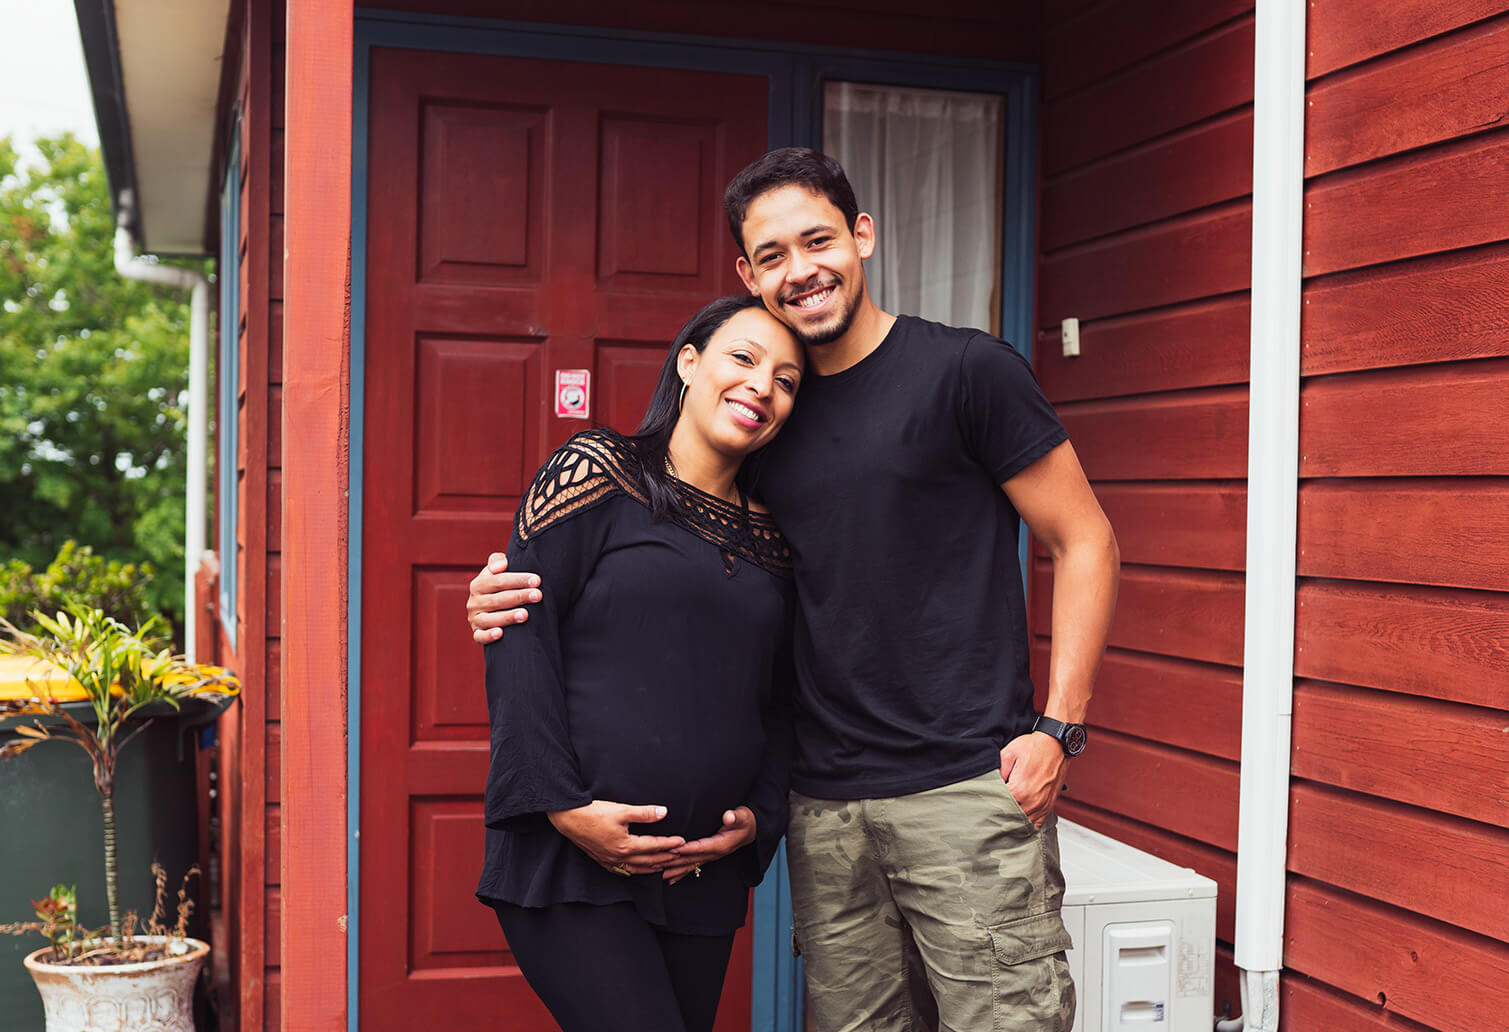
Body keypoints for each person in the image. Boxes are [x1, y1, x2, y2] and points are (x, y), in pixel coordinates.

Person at [469, 148, 1118, 1032]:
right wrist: (505, 596)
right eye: (771, 255)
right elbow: (691, 603)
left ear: (863, 236)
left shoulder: (966, 371)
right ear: (744, 278)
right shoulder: (764, 428)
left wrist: (1060, 728)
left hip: (963, 788)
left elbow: (1084, 539)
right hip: (829, 810)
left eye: (817, 241)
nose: (800, 270)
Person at [476, 295, 803, 1032]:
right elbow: (518, 633)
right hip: (575, 860)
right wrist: (565, 809)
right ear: (689, 363)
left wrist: (758, 818)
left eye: (786, 381)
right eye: (744, 359)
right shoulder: (598, 471)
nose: (762, 386)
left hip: (700, 874)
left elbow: (779, 701)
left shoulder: (777, 540)